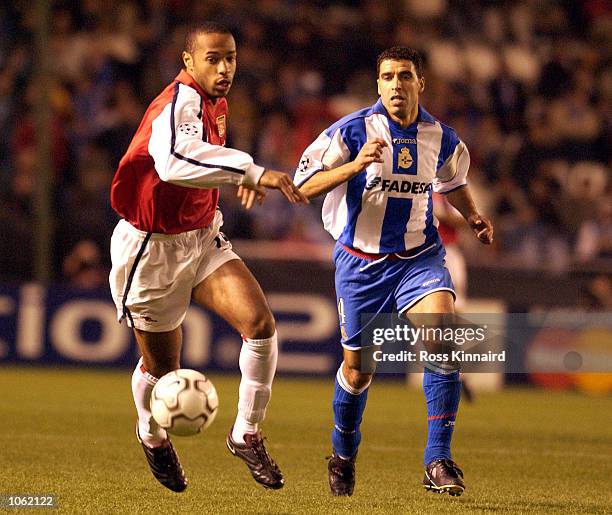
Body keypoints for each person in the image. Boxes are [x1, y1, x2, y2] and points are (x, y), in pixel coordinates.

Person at [109, 22, 308, 493]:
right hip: (152, 248)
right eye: (213, 58)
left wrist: (229, 176)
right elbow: (175, 161)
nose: (224, 68)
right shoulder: (176, 101)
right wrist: (252, 171)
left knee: (260, 325)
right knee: (162, 372)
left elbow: (201, 160)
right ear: (188, 61)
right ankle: (151, 432)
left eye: (231, 58)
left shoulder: (215, 102)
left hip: (200, 237)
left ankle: (245, 433)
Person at [294, 46, 493, 497]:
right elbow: (301, 187)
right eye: (387, 76)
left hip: (419, 258)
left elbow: (453, 182)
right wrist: (354, 165)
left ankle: (437, 461)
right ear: (377, 85)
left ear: (421, 83)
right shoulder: (349, 132)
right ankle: (343, 453)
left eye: (405, 75)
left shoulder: (441, 138)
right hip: (360, 264)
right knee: (358, 371)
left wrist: (474, 216)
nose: (396, 84)